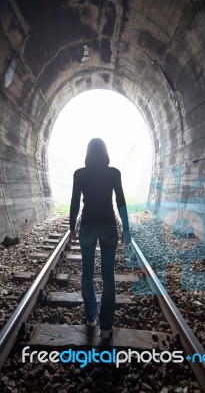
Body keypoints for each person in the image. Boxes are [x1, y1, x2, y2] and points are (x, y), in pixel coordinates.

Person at [69, 138, 131, 339]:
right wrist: (127, 230)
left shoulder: (80, 174)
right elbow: (120, 201)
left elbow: (74, 204)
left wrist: (72, 229)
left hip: (87, 226)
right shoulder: (114, 173)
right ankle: (106, 328)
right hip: (108, 226)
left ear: (88, 153)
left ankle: (91, 318)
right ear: (105, 152)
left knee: (87, 274)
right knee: (108, 277)